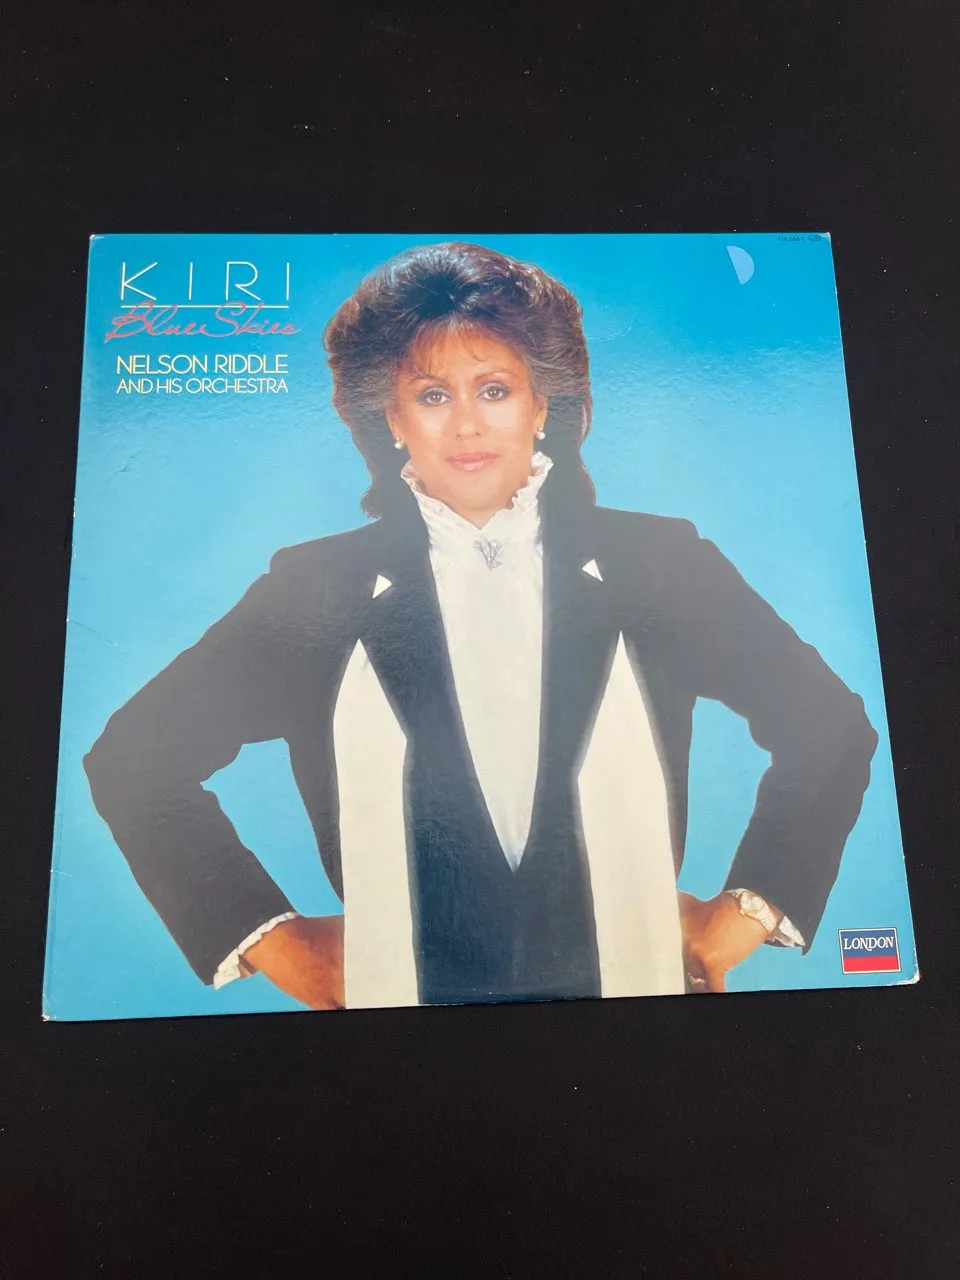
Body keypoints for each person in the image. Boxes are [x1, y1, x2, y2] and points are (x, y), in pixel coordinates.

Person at [84, 241, 879, 1011]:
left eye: (494, 389)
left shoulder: (660, 566)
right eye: (433, 396)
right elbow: (134, 761)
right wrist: (275, 940)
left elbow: (829, 728)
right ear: (391, 416)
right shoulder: (317, 590)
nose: (466, 424)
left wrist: (747, 911)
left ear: (541, 405)